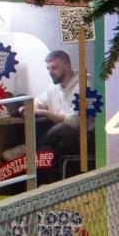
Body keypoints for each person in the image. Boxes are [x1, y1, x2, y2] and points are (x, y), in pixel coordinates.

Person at [35, 49, 87, 180]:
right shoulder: (52, 88)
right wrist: (35, 109)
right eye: (48, 68)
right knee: (46, 151)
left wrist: (45, 112)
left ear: (67, 66)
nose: (50, 72)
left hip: (84, 136)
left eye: (54, 67)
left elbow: (73, 122)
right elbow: (36, 103)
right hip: (58, 141)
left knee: (61, 129)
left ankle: (26, 149)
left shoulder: (84, 85)